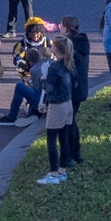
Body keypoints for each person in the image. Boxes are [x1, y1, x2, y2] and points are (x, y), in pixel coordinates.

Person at [36, 36, 75, 185]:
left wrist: (44, 78)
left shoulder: (53, 67)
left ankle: (53, 173)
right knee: (64, 138)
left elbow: (49, 88)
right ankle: (62, 170)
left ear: (56, 49)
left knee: (51, 140)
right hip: (68, 103)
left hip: (57, 105)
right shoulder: (69, 64)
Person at [61, 16, 90, 165]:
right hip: (81, 88)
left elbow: (67, 67)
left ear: (66, 28)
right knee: (71, 121)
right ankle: (76, 153)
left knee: (69, 123)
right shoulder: (83, 42)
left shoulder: (70, 45)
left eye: (61, 25)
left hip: (72, 89)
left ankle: (72, 154)